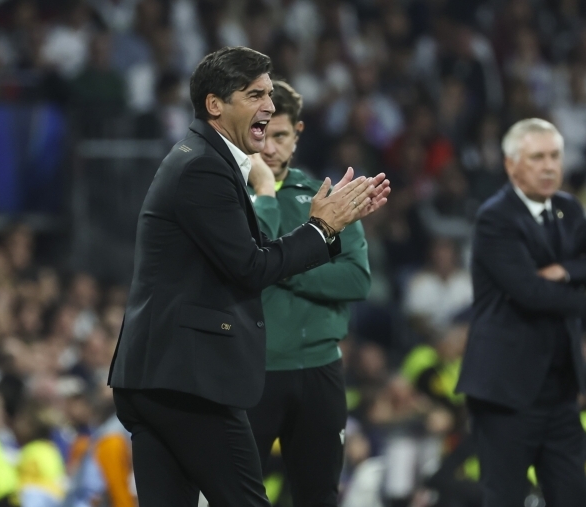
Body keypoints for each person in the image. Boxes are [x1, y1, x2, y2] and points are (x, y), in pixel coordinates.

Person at [107, 47, 390, 507]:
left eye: (270, 95)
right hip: (189, 381)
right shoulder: (203, 167)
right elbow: (251, 266)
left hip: (157, 376)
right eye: (255, 94)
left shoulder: (198, 157)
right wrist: (322, 228)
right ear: (215, 104)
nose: (269, 105)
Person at [455, 118, 586, 507]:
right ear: (511, 165)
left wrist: (567, 270)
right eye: (537, 158)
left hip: (560, 391)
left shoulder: (567, 208)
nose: (549, 166)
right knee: (506, 499)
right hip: (505, 391)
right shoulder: (495, 218)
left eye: (554, 156)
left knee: (573, 496)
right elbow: (531, 293)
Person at [244, 80, 370, 507]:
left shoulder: (329, 198)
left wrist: (278, 266)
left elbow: (356, 280)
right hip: (246, 372)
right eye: (261, 133)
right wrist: (308, 256)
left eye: (281, 135)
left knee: (319, 497)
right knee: (232, 496)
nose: (270, 148)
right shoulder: (222, 196)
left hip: (320, 371)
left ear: (298, 133)